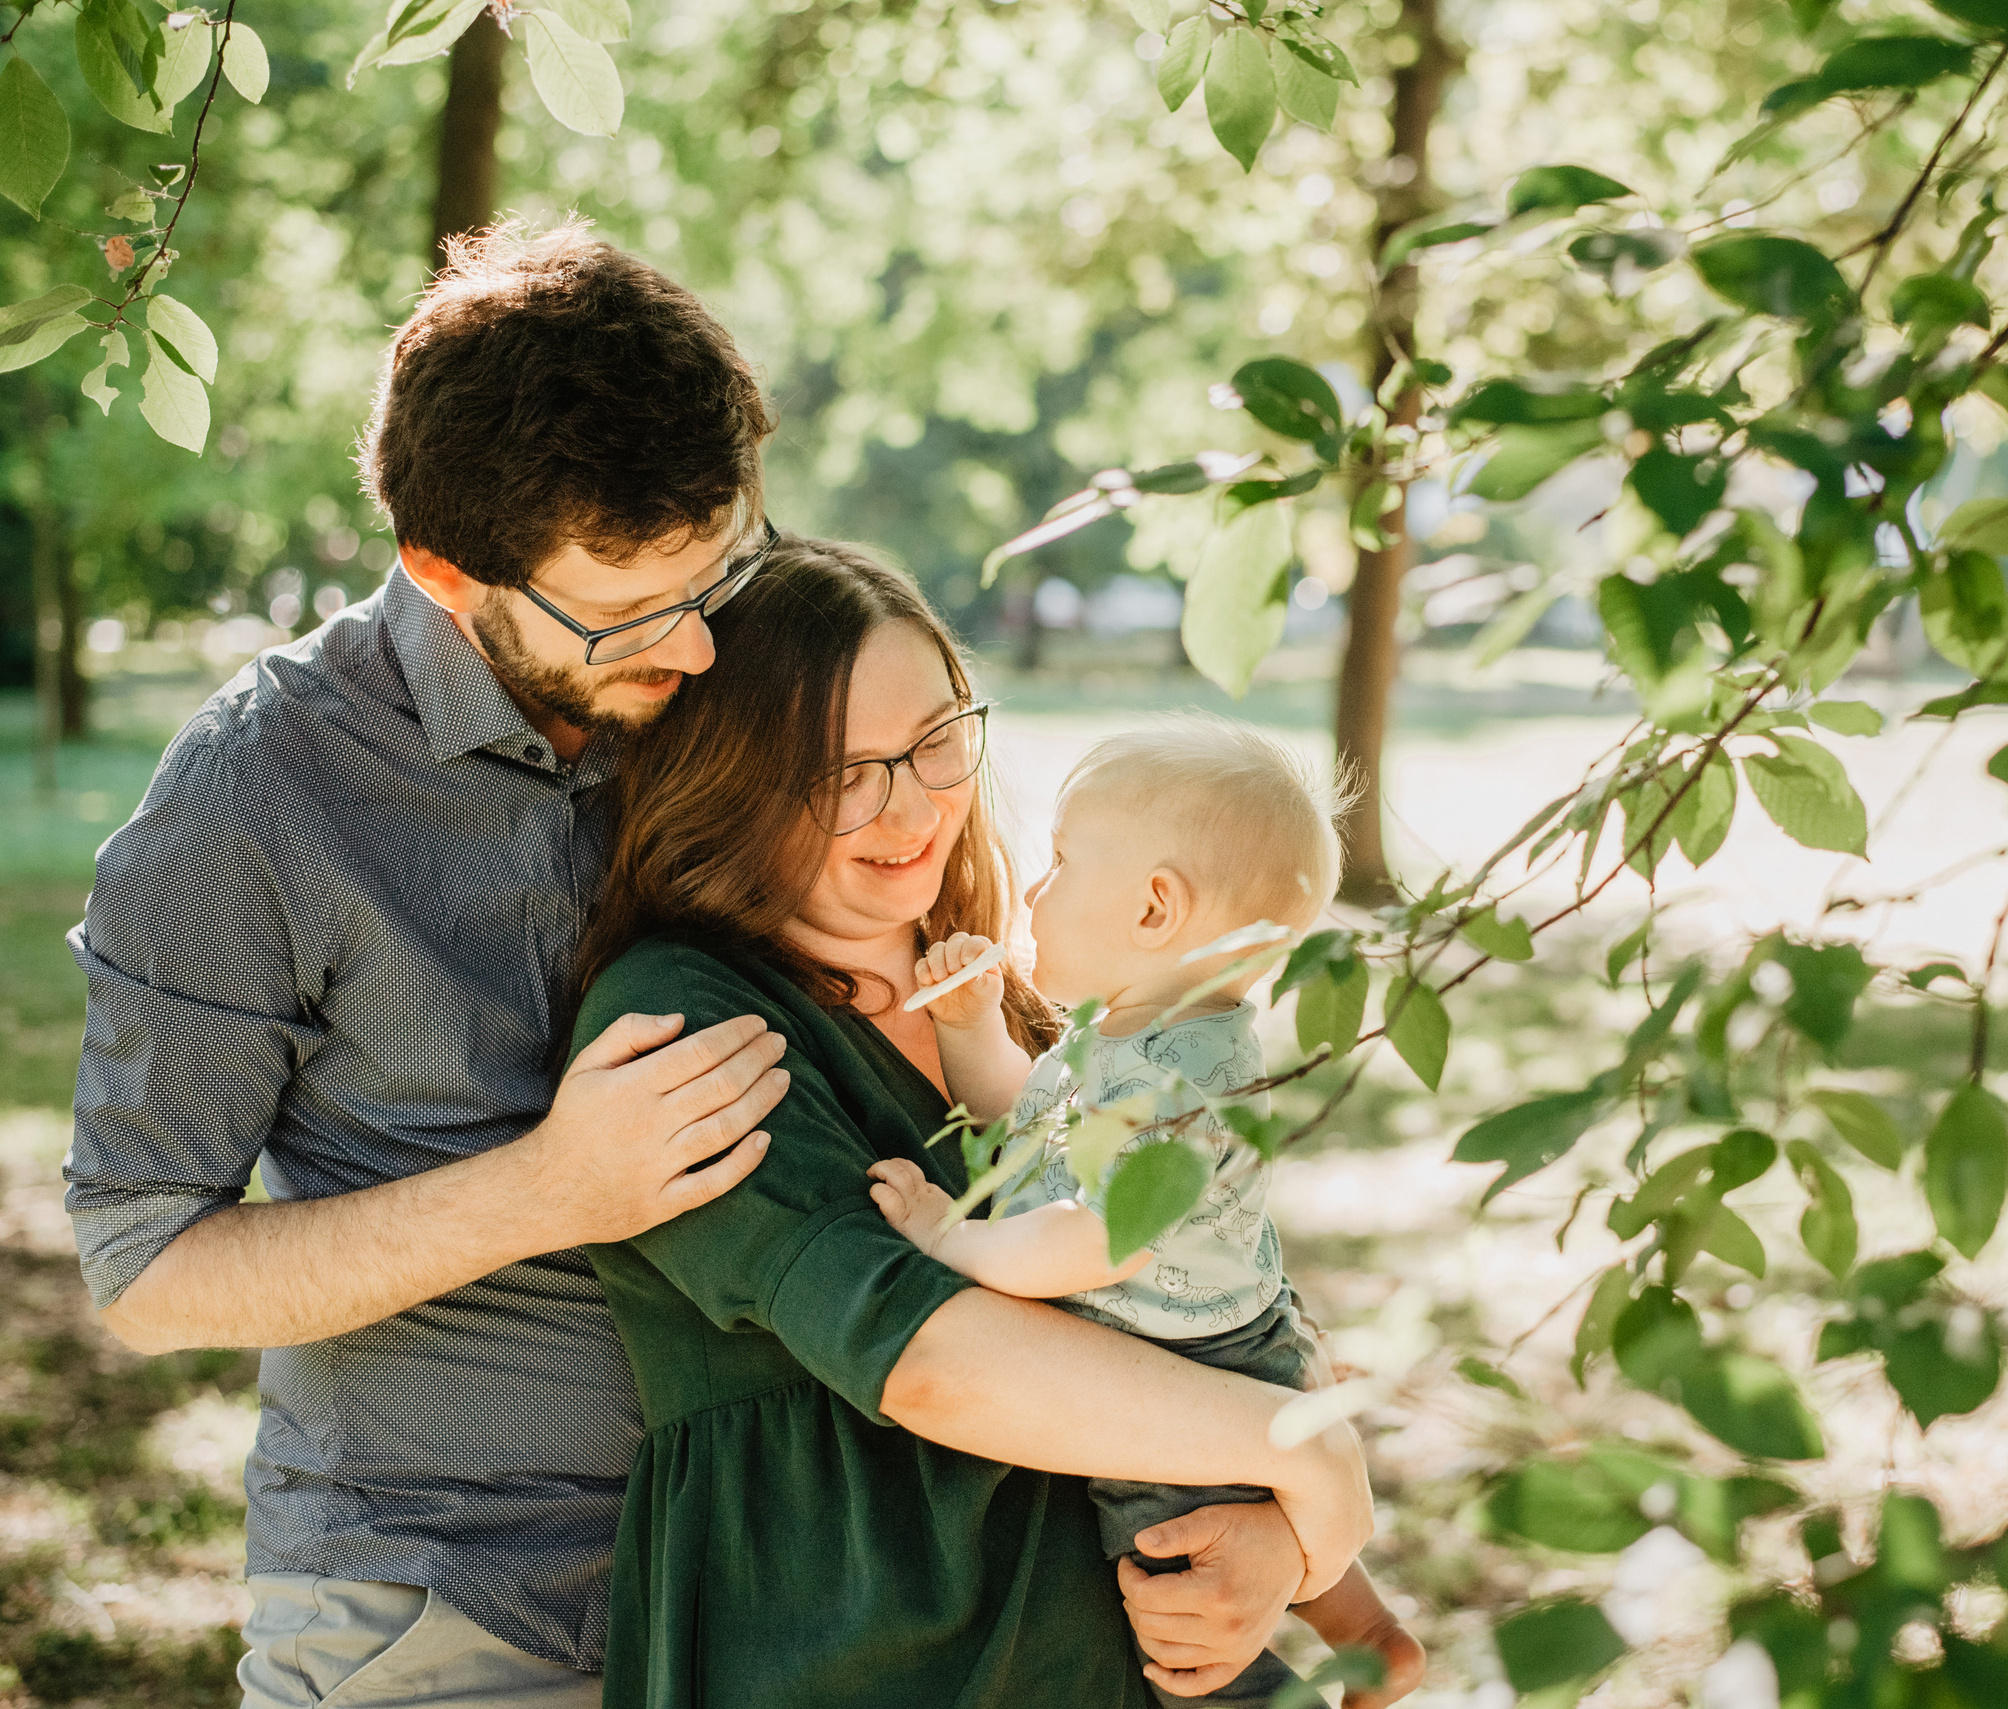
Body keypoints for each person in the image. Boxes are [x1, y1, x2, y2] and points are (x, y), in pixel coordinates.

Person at [64, 225, 793, 1709]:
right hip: (449, 1602)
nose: (702, 650)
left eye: (714, 577)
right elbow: (145, 1270)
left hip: (785, 1571)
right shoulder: (254, 795)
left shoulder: (733, 675)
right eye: (634, 607)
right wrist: (552, 1190)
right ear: (448, 571)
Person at [567, 537, 1398, 1709]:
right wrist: (1294, 1449)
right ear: (734, 775)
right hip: (871, 1660)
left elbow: (1185, 1289)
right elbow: (929, 1359)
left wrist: (1272, 1544)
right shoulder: (685, 1012)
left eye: (934, 741)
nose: (909, 805)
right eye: (840, 769)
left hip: (1117, 1651)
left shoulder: (1022, 998)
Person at [866, 717, 1425, 1709]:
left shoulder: (1180, 1082)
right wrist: (969, 1024)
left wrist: (953, 1236)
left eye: (1062, 862)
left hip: (1186, 1359)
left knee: (1175, 1582)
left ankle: (1240, 1690)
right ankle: (1369, 1635)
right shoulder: (1134, 1037)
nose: (1033, 891)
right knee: (1253, 1507)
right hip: (1233, 1339)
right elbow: (1034, 1132)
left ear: (1155, 907)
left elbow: (1089, 1239)